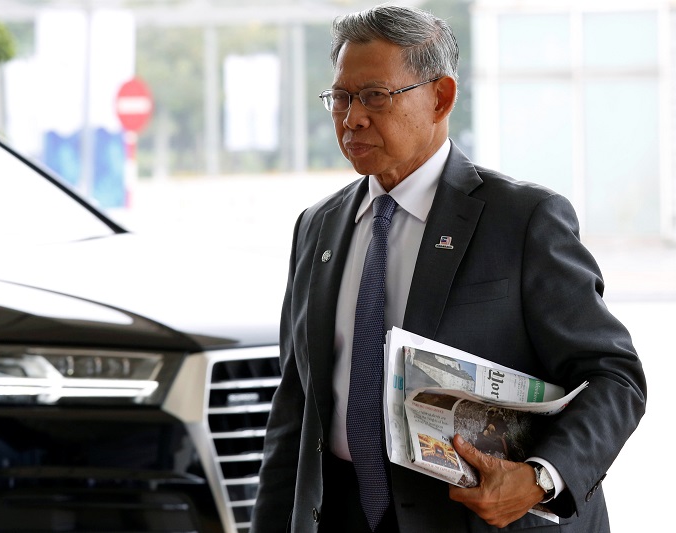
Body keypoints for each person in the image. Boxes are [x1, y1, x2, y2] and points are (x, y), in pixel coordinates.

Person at [250, 4, 646, 533]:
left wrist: (539, 478)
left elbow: (614, 377)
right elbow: (295, 408)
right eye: (341, 97)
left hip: (479, 518)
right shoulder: (317, 226)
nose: (352, 118)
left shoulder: (523, 219)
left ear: (441, 97)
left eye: (375, 96)